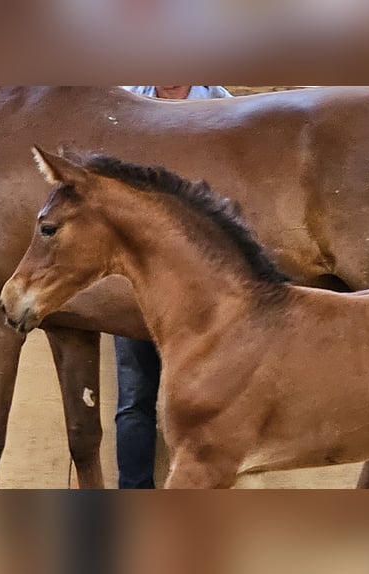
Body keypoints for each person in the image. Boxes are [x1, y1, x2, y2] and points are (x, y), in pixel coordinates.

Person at [116, 86, 233, 488]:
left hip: (204, 288)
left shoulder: (220, 100)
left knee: (213, 399)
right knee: (134, 402)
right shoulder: (126, 101)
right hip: (139, 285)